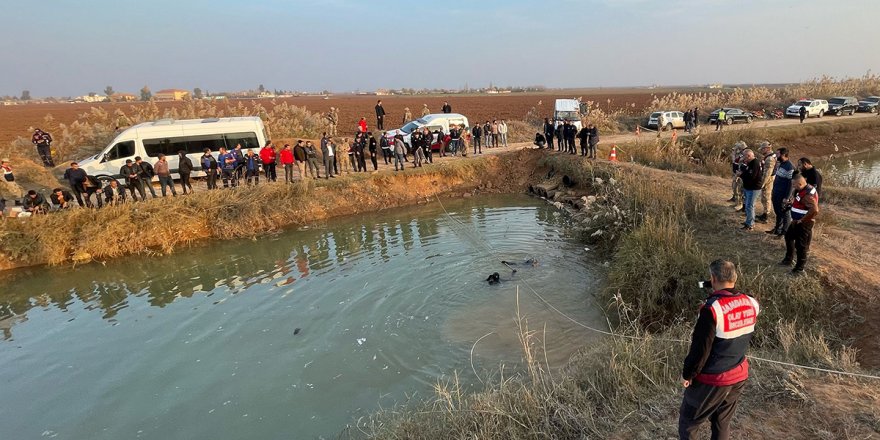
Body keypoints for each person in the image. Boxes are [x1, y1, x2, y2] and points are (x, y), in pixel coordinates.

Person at [679, 259, 759, 440]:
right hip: (738, 375)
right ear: (735, 277)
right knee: (722, 422)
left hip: (712, 379)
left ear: (713, 278)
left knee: (689, 422)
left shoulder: (711, 309)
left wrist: (688, 374)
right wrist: (714, 285)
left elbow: (701, 349)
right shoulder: (752, 302)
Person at [782, 174, 820, 274]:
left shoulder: (807, 195)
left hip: (803, 223)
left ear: (800, 183)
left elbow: (814, 210)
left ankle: (799, 269)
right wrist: (791, 204)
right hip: (796, 221)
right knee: (789, 236)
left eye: (794, 185)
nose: (793, 187)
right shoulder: (802, 189)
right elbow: (800, 204)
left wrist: (802, 220)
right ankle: (788, 259)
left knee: (801, 245)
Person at [768, 148, 795, 237]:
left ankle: (784, 232)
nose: (776, 156)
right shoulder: (781, 164)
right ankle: (777, 229)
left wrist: (786, 197)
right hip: (776, 192)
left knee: (785, 214)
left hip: (783, 195)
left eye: (778, 154)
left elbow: (790, 184)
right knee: (778, 212)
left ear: (783, 155)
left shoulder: (790, 167)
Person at [738, 149, 762, 231]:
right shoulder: (750, 163)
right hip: (749, 187)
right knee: (748, 206)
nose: (743, 158)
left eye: (744, 156)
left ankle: (750, 225)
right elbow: (746, 172)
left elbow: (752, 176)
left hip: (753, 188)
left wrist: (741, 175)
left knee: (749, 206)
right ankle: (748, 221)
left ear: (748, 156)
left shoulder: (755, 163)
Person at [756, 142, 776, 223]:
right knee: (764, 197)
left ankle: (766, 216)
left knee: (766, 197)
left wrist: (762, 184)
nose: (761, 151)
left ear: (767, 148)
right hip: (769, 178)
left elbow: (767, 173)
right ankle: (764, 214)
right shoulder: (770, 157)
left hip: (768, 180)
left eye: (762, 149)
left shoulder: (770, 159)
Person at [728, 143, 746, 208]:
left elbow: (744, 165)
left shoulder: (745, 155)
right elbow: (735, 163)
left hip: (742, 175)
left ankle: (740, 204)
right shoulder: (739, 155)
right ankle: (737, 202)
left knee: (740, 190)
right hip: (738, 173)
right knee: (735, 188)